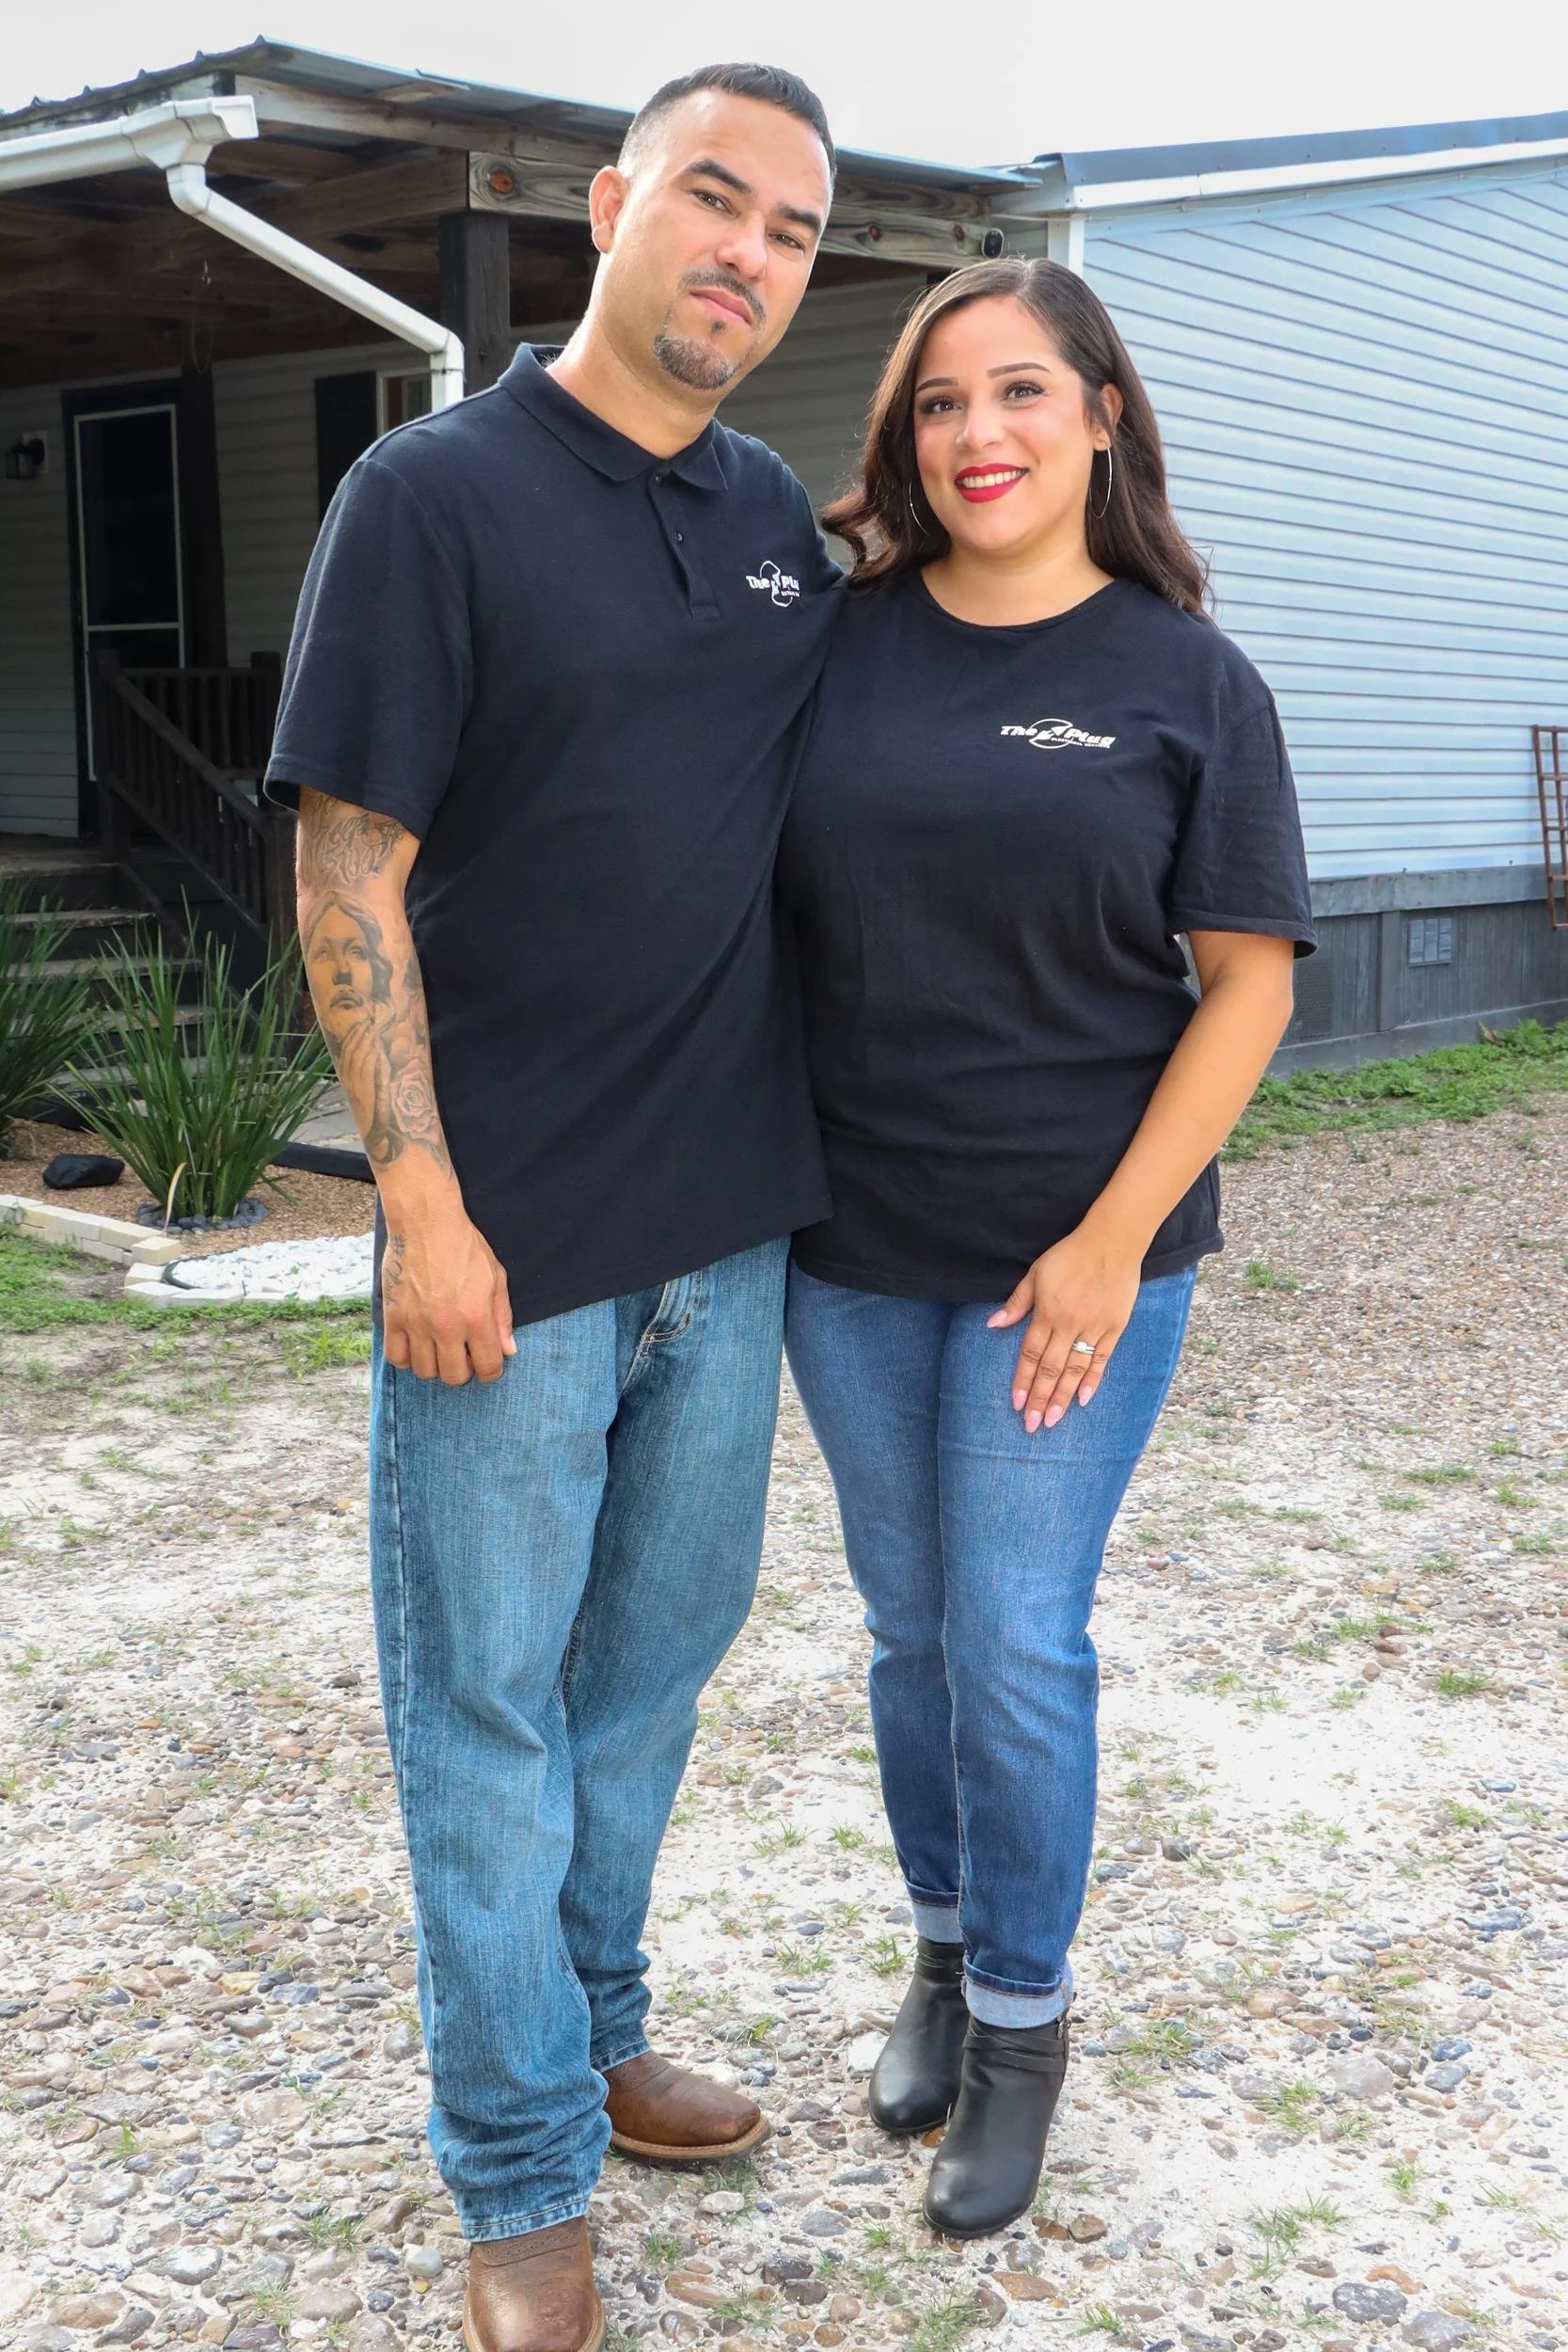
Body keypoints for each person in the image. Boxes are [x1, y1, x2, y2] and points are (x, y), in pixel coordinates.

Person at [267, 64, 840, 2352]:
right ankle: (517, 2165)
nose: (747, 252)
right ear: (612, 205)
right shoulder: (431, 497)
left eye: (790, 229)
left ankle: (595, 2023)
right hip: (503, 1252)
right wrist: (414, 1194)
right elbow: (344, 857)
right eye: (713, 198)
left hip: (734, 1221)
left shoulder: (780, 507)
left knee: (646, 1679)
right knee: (484, 1711)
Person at [779, 257, 1316, 2239]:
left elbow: (1244, 986)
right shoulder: (834, 648)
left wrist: (1103, 1244)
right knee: (910, 1636)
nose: (974, 435)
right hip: (846, 1243)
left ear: (1099, 410)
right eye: (936, 404)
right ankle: (936, 1946)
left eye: (1015, 392)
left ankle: (1019, 2022)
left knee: (1013, 1639)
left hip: (1072, 1256)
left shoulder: (1186, 677)